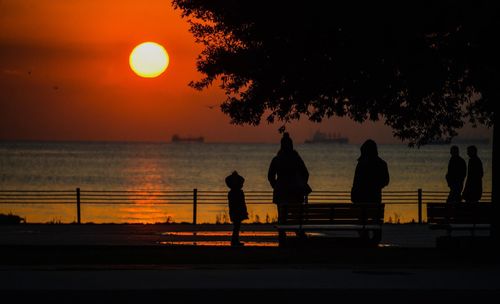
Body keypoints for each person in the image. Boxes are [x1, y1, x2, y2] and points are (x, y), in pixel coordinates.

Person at [268, 132, 310, 242]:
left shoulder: (277, 159)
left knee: (282, 216)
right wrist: (302, 184)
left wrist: (275, 185)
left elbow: (270, 176)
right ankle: (299, 234)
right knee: (297, 215)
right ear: (291, 145)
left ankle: (282, 235)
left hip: (280, 191)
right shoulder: (296, 159)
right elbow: (305, 173)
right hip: (296, 191)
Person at [350, 139, 389, 242]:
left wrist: (354, 194)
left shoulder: (361, 164)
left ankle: (364, 237)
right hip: (375, 199)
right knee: (375, 218)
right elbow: (386, 181)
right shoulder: (382, 164)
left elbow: (356, 181)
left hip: (361, 199)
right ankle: (374, 238)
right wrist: (376, 186)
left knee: (362, 219)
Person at [225, 170, 249, 247]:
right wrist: (244, 211)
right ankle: (234, 241)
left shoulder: (231, 193)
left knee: (236, 226)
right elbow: (242, 203)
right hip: (238, 210)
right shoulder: (239, 192)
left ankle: (235, 240)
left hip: (233, 210)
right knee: (237, 226)